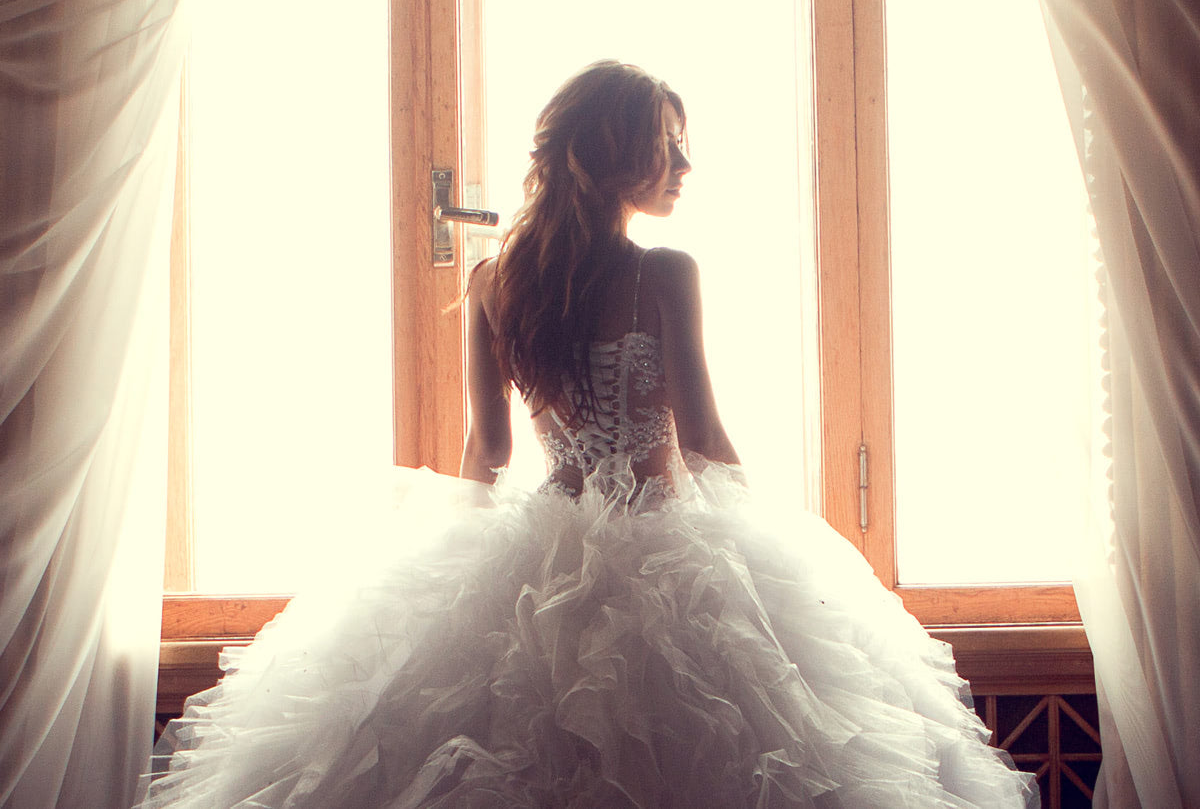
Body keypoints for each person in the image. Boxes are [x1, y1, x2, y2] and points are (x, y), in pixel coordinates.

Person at [140, 61, 1039, 808]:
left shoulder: (496, 281)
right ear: (612, 156)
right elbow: (705, 440)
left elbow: (486, 456)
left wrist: (444, 563)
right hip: (664, 542)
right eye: (668, 145)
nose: (685, 164)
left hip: (537, 551)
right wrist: (782, 554)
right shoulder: (664, 273)